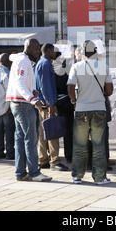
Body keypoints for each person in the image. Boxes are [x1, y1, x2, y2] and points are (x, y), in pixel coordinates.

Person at [67, 40, 113, 185]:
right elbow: (110, 91)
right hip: (99, 108)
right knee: (99, 145)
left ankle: (77, 176)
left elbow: (70, 87)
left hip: (81, 109)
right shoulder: (104, 66)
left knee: (80, 144)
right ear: (95, 51)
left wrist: (75, 102)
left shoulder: (76, 66)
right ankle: (99, 177)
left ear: (82, 52)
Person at [6, 38, 52, 182]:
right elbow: (19, 82)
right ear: (28, 47)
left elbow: (20, 81)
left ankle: (20, 172)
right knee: (31, 139)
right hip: (24, 104)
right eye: (36, 48)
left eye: (38, 49)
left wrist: (31, 91)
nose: (38, 52)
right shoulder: (24, 61)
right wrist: (32, 99)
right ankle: (34, 172)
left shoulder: (21, 59)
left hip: (18, 103)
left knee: (21, 139)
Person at [34, 43, 69, 171]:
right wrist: (51, 104)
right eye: (54, 51)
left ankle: (42, 159)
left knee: (43, 132)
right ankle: (54, 160)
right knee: (52, 131)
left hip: (42, 103)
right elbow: (46, 86)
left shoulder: (40, 63)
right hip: (47, 103)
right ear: (49, 51)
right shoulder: (45, 64)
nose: (55, 54)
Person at [0, 53, 15, 160]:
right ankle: (10, 153)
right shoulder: (7, 74)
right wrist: (10, 106)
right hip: (6, 106)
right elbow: (10, 91)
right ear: (7, 62)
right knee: (9, 131)